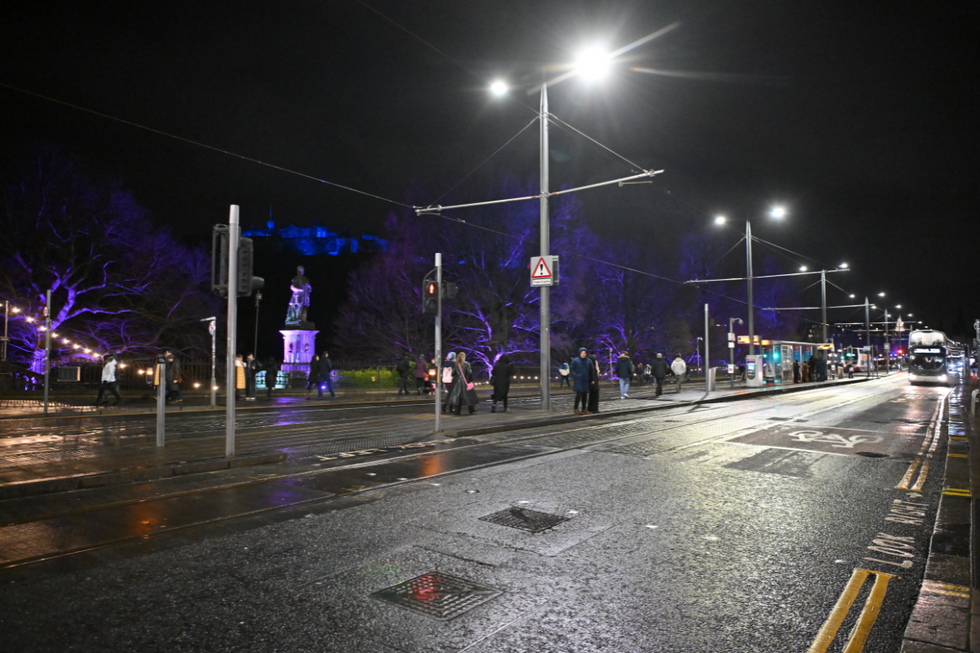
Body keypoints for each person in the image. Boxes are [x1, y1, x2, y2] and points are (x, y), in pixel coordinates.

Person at [569, 347, 593, 415]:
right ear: (579, 353)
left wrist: (592, 379)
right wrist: (575, 376)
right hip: (579, 380)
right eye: (582, 353)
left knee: (585, 395)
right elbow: (572, 369)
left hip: (586, 380)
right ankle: (576, 408)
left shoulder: (588, 361)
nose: (583, 354)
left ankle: (584, 409)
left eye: (584, 353)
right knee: (578, 395)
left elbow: (591, 371)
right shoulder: (575, 361)